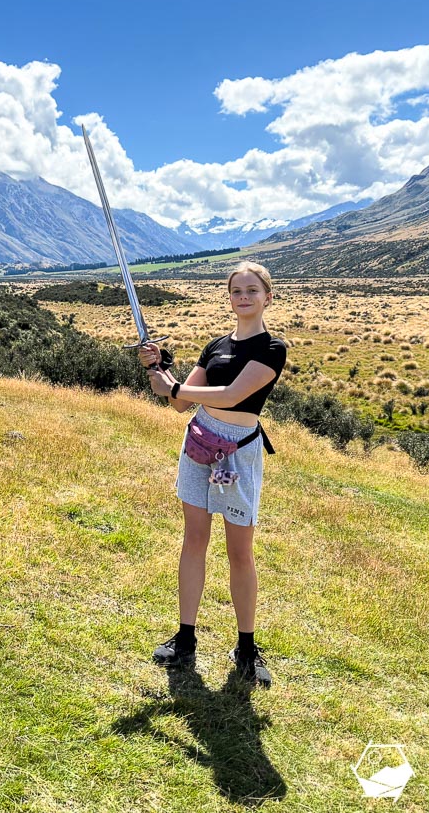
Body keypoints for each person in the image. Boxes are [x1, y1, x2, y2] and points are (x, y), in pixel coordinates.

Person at [138, 261, 287, 687]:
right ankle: (185, 638)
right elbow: (178, 402)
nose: (244, 297)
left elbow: (233, 394)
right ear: (229, 297)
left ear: (267, 297)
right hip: (199, 444)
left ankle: (246, 646)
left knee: (240, 552)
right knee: (194, 541)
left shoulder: (271, 348)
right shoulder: (215, 345)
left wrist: (176, 388)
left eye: (252, 291)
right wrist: (158, 365)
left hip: (238, 453)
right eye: (237, 290)